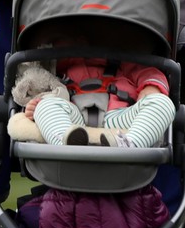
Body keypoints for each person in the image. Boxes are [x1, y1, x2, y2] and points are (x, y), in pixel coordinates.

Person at [18, 17, 176, 149]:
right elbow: (37, 93)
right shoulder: (52, 75)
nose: (47, 48)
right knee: (45, 106)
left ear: (80, 41)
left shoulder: (121, 62)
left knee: (163, 103)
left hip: (117, 117)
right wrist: (35, 107)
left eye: (55, 41)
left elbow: (149, 73)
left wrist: (151, 88)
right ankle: (64, 142)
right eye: (40, 47)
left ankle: (131, 144)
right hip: (74, 119)